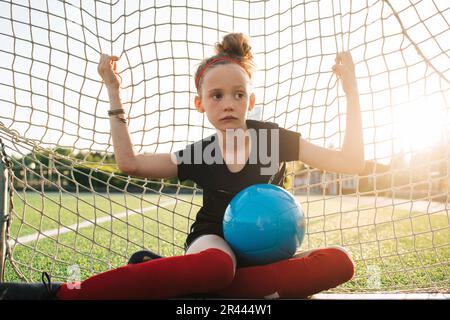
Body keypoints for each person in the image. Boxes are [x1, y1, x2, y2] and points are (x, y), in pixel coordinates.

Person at [0, 33, 364, 300]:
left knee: (340, 262)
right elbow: (130, 164)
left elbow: (350, 162)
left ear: (250, 100)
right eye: (216, 96)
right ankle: (61, 295)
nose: (228, 104)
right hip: (214, 245)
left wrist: (352, 94)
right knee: (218, 269)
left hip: (271, 251)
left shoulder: (276, 139)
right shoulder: (201, 153)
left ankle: (171, 282)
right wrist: (113, 92)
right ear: (200, 104)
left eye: (238, 94)